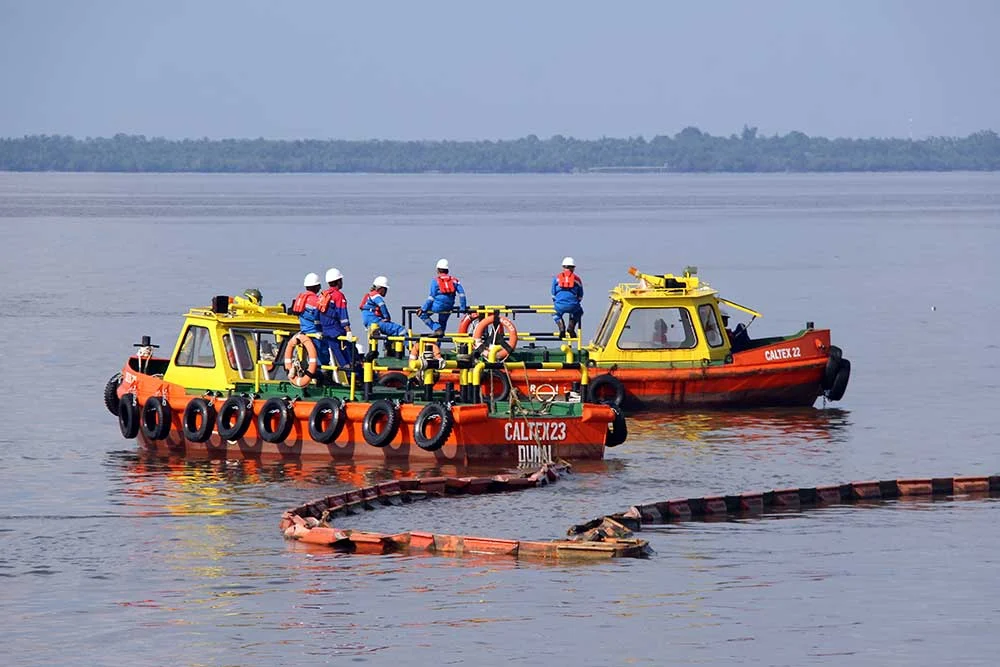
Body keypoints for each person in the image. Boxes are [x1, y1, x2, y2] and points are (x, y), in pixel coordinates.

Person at [317, 267, 354, 377]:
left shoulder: (324, 294)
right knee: (351, 349)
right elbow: (343, 314)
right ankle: (353, 373)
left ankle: (345, 369)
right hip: (335, 329)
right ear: (338, 282)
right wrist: (348, 331)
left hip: (325, 329)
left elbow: (317, 313)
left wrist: (319, 329)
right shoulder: (338, 295)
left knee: (335, 349)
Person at [418, 258, 468, 335]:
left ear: (437, 270)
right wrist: (462, 308)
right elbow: (462, 294)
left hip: (437, 307)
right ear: (447, 270)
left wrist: (423, 308)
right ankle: (438, 342)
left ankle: (436, 328)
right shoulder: (454, 280)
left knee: (422, 314)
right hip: (449, 307)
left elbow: (431, 297)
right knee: (443, 323)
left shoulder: (435, 281)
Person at [290, 272, 328, 367]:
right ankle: (323, 374)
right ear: (316, 286)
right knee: (322, 355)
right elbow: (319, 316)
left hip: (305, 332)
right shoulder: (315, 300)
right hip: (315, 333)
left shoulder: (301, 299)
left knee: (311, 356)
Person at [359, 276, 407, 350]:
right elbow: (382, 305)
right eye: (385, 289)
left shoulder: (369, 296)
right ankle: (412, 350)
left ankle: (388, 349)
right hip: (375, 321)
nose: (386, 291)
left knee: (390, 331)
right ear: (380, 288)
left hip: (369, 322)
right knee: (400, 330)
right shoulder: (376, 296)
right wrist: (387, 317)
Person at [551, 256, 584, 338]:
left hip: (559, 305)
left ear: (563, 267)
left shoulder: (556, 279)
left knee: (554, 313)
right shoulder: (577, 279)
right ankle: (571, 327)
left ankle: (561, 327)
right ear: (573, 268)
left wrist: (556, 302)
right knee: (579, 312)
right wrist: (576, 302)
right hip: (573, 305)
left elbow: (553, 294)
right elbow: (580, 295)